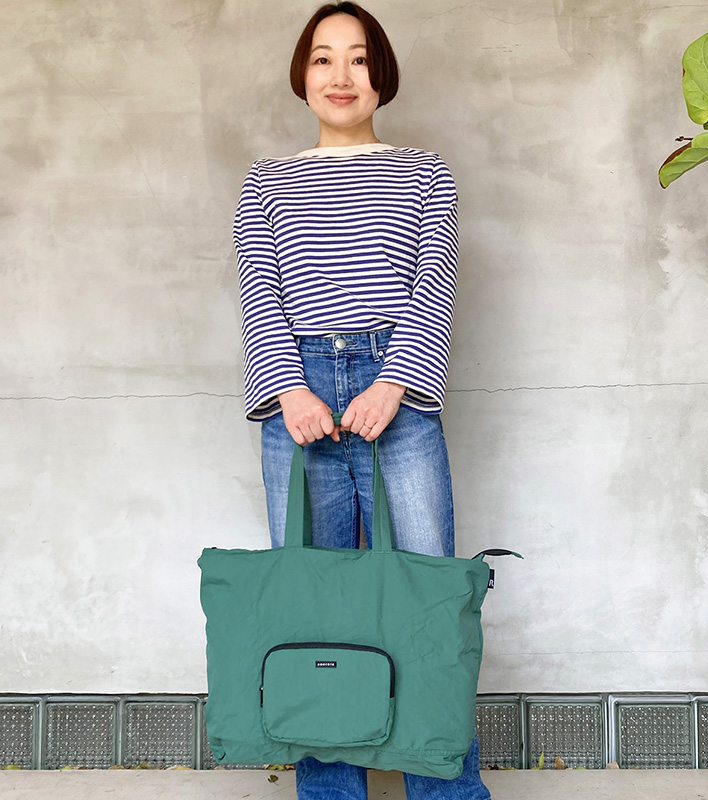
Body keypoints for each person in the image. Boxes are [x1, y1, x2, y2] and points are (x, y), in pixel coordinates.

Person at [232, 3, 490, 799]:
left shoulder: (425, 172)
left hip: (395, 390)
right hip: (299, 398)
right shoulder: (266, 182)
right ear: (301, 75)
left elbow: (433, 283)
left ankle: (446, 792)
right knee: (315, 610)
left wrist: (394, 381)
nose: (340, 76)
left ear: (382, 73)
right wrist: (288, 389)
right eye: (322, 58)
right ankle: (330, 793)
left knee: (424, 601)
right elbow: (260, 293)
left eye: (358, 57)